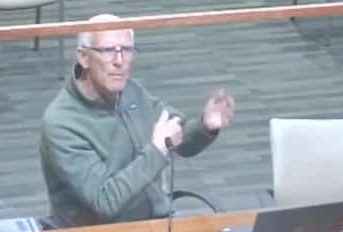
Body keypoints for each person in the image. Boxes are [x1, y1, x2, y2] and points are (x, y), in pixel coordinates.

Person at [39, 14, 235, 228]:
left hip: (156, 223)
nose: (119, 61)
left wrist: (204, 126)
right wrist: (157, 149)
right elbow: (105, 201)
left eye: (126, 49)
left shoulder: (132, 91)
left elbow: (174, 135)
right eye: (108, 51)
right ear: (84, 57)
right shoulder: (61, 123)